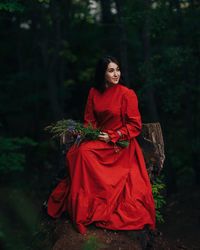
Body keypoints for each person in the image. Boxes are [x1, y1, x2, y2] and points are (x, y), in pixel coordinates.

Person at [47, 55, 156, 235]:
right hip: (100, 139)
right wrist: (85, 131)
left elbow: (134, 125)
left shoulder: (127, 94)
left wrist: (113, 136)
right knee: (76, 153)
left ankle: (94, 207)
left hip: (120, 145)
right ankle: (83, 208)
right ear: (102, 74)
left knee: (84, 154)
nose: (116, 74)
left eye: (118, 69)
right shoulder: (94, 93)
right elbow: (91, 121)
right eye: (111, 70)